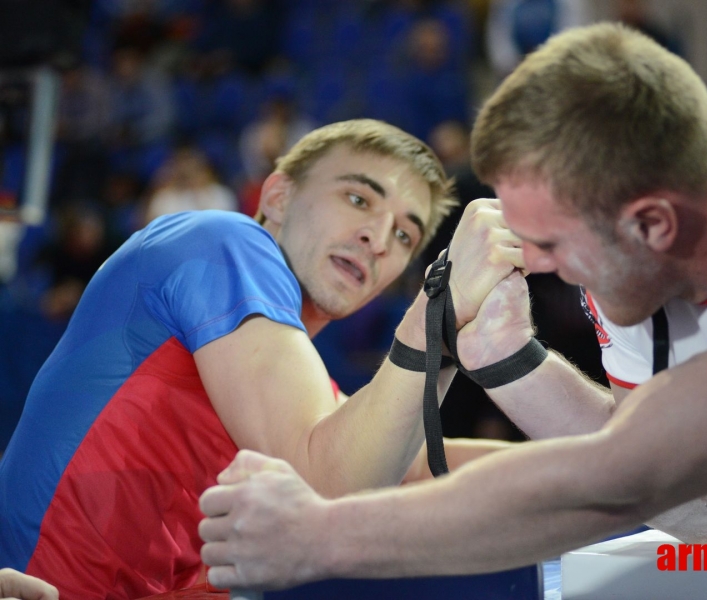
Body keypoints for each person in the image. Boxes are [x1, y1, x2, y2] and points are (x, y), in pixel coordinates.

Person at [198, 23, 707, 599]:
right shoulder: (664, 241)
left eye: (553, 241)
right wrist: (507, 358)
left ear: (652, 224)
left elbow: (618, 484)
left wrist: (320, 534)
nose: (538, 263)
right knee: (639, 578)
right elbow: (701, 510)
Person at [0, 119, 524, 599]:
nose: (379, 239)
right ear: (277, 195)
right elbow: (326, 483)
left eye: (405, 235)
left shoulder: (303, 393)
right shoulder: (222, 242)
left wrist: (596, 461)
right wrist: (438, 322)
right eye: (359, 199)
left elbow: (416, 470)